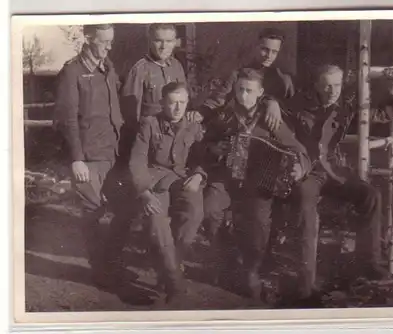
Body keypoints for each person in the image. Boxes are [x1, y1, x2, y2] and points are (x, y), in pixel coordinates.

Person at [281, 64, 393, 307]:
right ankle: (306, 285)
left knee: (370, 195)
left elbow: (379, 114)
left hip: (333, 171)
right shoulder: (297, 105)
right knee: (305, 207)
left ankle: (370, 263)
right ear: (316, 86)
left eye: (337, 85)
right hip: (306, 170)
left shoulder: (344, 105)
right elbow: (284, 136)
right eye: (327, 85)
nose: (333, 91)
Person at [201, 68, 310, 300]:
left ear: (260, 93)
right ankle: (228, 260)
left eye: (249, 91)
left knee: (260, 222)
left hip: (258, 185)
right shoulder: (223, 116)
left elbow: (298, 149)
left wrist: (300, 167)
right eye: (239, 89)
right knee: (210, 210)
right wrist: (212, 149)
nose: (243, 95)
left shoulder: (271, 118)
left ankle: (251, 269)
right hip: (225, 179)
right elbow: (203, 143)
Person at [53, 24, 136, 288]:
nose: (109, 47)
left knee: (125, 210)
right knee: (93, 213)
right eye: (104, 42)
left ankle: (110, 261)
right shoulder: (73, 72)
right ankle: (101, 271)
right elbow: (67, 119)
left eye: (111, 41)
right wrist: (76, 157)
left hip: (113, 153)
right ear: (88, 39)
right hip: (88, 156)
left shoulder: (107, 68)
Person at [128, 81, 206, 303]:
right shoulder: (149, 124)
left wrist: (199, 175)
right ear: (162, 104)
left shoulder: (194, 126)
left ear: (188, 102)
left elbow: (203, 156)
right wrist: (144, 192)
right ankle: (174, 282)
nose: (177, 108)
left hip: (182, 179)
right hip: (154, 182)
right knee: (156, 220)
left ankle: (168, 266)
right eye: (172, 103)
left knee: (194, 210)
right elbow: (137, 161)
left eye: (182, 102)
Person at [188, 27, 294, 130]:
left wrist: (275, 103)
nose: (269, 56)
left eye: (274, 52)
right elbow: (219, 99)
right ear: (255, 46)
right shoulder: (239, 74)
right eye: (264, 49)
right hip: (245, 128)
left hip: (274, 130)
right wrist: (202, 112)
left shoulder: (283, 79)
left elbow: (291, 106)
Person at [120, 23, 187, 159]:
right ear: (150, 41)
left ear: (175, 42)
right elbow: (131, 115)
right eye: (158, 41)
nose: (163, 46)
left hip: (174, 137)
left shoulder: (177, 66)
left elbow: (183, 99)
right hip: (151, 139)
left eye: (168, 41)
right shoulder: (140, 69)